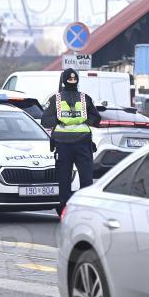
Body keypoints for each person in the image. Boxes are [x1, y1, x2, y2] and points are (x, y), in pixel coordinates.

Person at [41, 68, 101, 216]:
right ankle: (65, 209)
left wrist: (81, 120)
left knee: (86, 180)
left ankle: (84, 209)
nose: (72, 81)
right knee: (65, 180)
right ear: (65, 80)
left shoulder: (84, 98)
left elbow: (96, 118)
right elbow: (45, 120)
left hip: (81, 143)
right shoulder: (56, 99)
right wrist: (61, 120)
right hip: (64, 144)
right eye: (70, 79)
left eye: (75, 79)